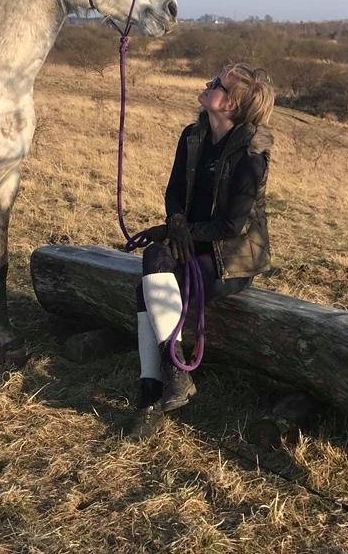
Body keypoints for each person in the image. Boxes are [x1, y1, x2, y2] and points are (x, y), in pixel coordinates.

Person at [127, 63, 276, 440]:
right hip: (190, 246)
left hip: (231, 261)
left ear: (231, 105)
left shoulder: (252, 154)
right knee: (153, 263)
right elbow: (174, 191)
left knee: (148, 287)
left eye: (218, 85)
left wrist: (177, 231)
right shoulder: (192, 136)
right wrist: (176, 220)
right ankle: (171, 379)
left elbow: (232, 225)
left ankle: (152, 394)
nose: (209, 85)